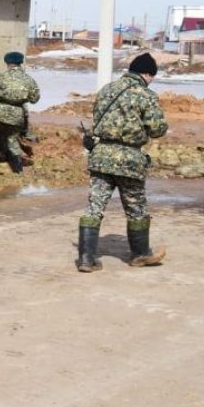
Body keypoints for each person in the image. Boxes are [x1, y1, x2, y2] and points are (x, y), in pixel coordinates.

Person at [76, 52, 168, 272]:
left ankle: (86, 259)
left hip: (100, 157)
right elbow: (157, 129)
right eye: (152, 76)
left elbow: (98, 118)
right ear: (146, 73)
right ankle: (140, 254)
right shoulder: (145, 95)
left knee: (94, 207)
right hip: (129, 160)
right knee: (136, 207)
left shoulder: (107, 90)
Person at [0, 51, 40, 173]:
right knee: (12, 138)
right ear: (20, 63)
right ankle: (18, 170)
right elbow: (34, 99)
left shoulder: (1, 77)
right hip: (17, 115)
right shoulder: (29, 80)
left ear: (7, 63)